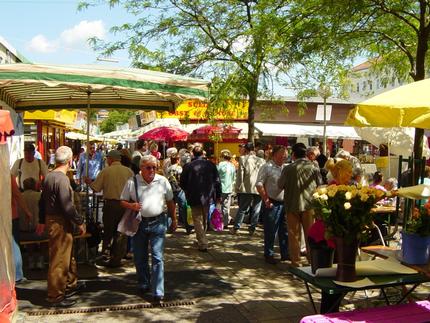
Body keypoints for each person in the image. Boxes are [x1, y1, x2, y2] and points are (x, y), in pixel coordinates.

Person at [120, 155, 176, 303]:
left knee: (158, 257)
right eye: (148, 167)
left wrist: (174, 219)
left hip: (158, 222)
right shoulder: (132, 182)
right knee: (140, 256)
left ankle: (158, 291)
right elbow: (122, 200)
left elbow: (170, 201)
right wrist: (131, 205)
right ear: (141, 168)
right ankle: (144, 282)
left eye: (154, 167)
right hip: (139, 223)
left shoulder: (163, 181)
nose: (152, 170)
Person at [36, 146, 86, 308]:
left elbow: (41, 201)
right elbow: (67, 206)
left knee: (67, 255)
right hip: (59, 221)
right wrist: (80, 221)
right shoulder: (62, 179)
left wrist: (42, 220)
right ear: (70, 160)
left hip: (55, 220)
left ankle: (70, 284)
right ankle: (55, 295)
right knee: (59, 258)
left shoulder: (50, 177)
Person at [86, 149, 134, 267]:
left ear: (111, 159)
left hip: (110, 205)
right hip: (125, 205)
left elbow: (96, 188)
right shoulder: (129, 171)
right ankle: (117, 258)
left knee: (108, 231)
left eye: (107, 158)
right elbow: (134, 190)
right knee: (121, 232)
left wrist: (89, 182)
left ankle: (105, 256)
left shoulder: (106, 171)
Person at [278, 143, 322, 267]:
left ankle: (296, 262)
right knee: (310, 235)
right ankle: (312, 260)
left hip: (292, 204)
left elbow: (280, 185)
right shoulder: (313, 167)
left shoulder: (288, 168)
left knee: (294, 235)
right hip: (309, 205)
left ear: (294, 154)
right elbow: (320, 184)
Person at [180, 145, 221, 251]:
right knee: (204, 217)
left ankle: (202, 241)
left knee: (197, 218)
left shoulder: (188, 166)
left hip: (194, 195)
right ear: (203, 153)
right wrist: (218, 196)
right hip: (207, 196)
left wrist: (187, 191)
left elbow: (182, 182)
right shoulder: (211, 165)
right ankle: (202, 239)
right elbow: (217, 181)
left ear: (193, 153)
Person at [256, 145, 289, 264]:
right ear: (275, 155)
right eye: (282, 154)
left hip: (284, 203)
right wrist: (266, 199)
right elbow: (259, 184)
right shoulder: (267, 167)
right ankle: (268, 254)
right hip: (272, 202)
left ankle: (285, 253)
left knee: (284, 230)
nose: (284, 156)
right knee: (270, 230)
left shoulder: (285, 167)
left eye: (285, 154)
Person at [231, 142, 265, 235]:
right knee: (256, 209)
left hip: (247, 186)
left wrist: (238, 186)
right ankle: (252, 229)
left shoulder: (243, 158)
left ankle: (236, 227)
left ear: (245, 149)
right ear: (254, 149)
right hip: (258, 186)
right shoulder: (262, 160)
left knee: (243, 208)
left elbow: (240, 174)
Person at [166, 153, 192, 234]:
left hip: (170, 190)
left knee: (171, 209)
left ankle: (170, 227)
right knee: (184, 208)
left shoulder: (168, 169)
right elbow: (182, 179)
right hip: (179, 190)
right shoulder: (179, 168)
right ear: (177, 160)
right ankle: (188, 227)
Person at [217, 149, 236, 228]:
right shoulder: (232, 166)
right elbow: (234, 178)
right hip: (229, 188)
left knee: (218, 206)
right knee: (226, 206)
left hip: (220, 188)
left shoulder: (220, 165)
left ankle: (217, 223)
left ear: (222, 157)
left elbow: (216, 177)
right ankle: (225, 223)